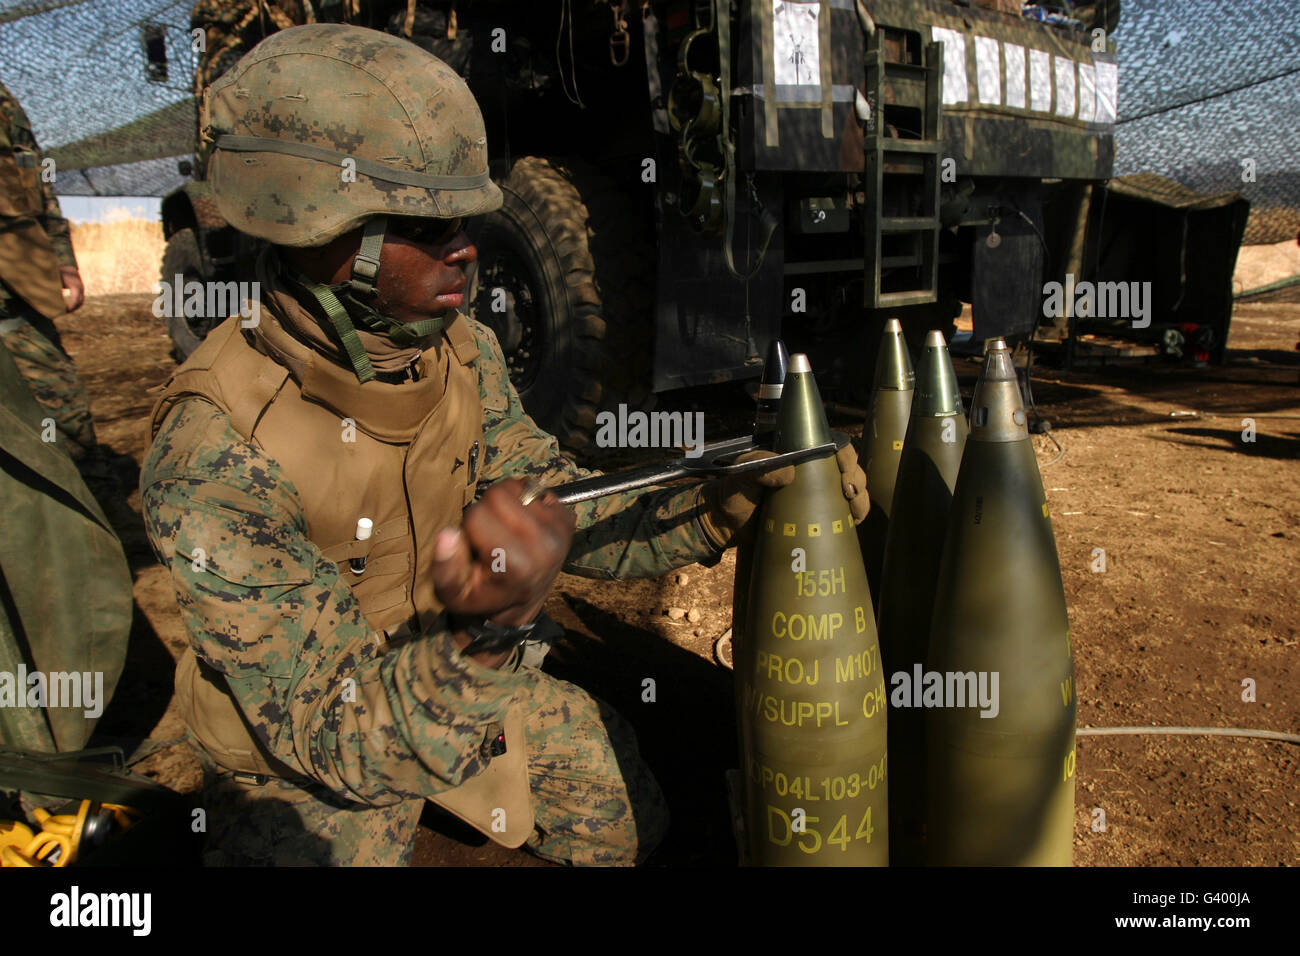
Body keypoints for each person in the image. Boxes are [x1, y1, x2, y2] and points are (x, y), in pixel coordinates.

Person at [140, 23, 869, 866]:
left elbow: (555, 500)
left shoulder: (458, 353)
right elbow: (333, 733)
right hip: (307, 753)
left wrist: (716, 494)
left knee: (629, 821)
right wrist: (489, 630)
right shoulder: (214, 448)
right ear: (320, 235)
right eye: (423, 223)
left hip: (454, 669)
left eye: (465, 219)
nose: (464, 249)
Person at [0, 80, 110, 493]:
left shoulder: (3, 102)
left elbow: (32, 178)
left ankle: (97, 519)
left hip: (16, 289)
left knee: (63, 413)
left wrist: (63, 260)